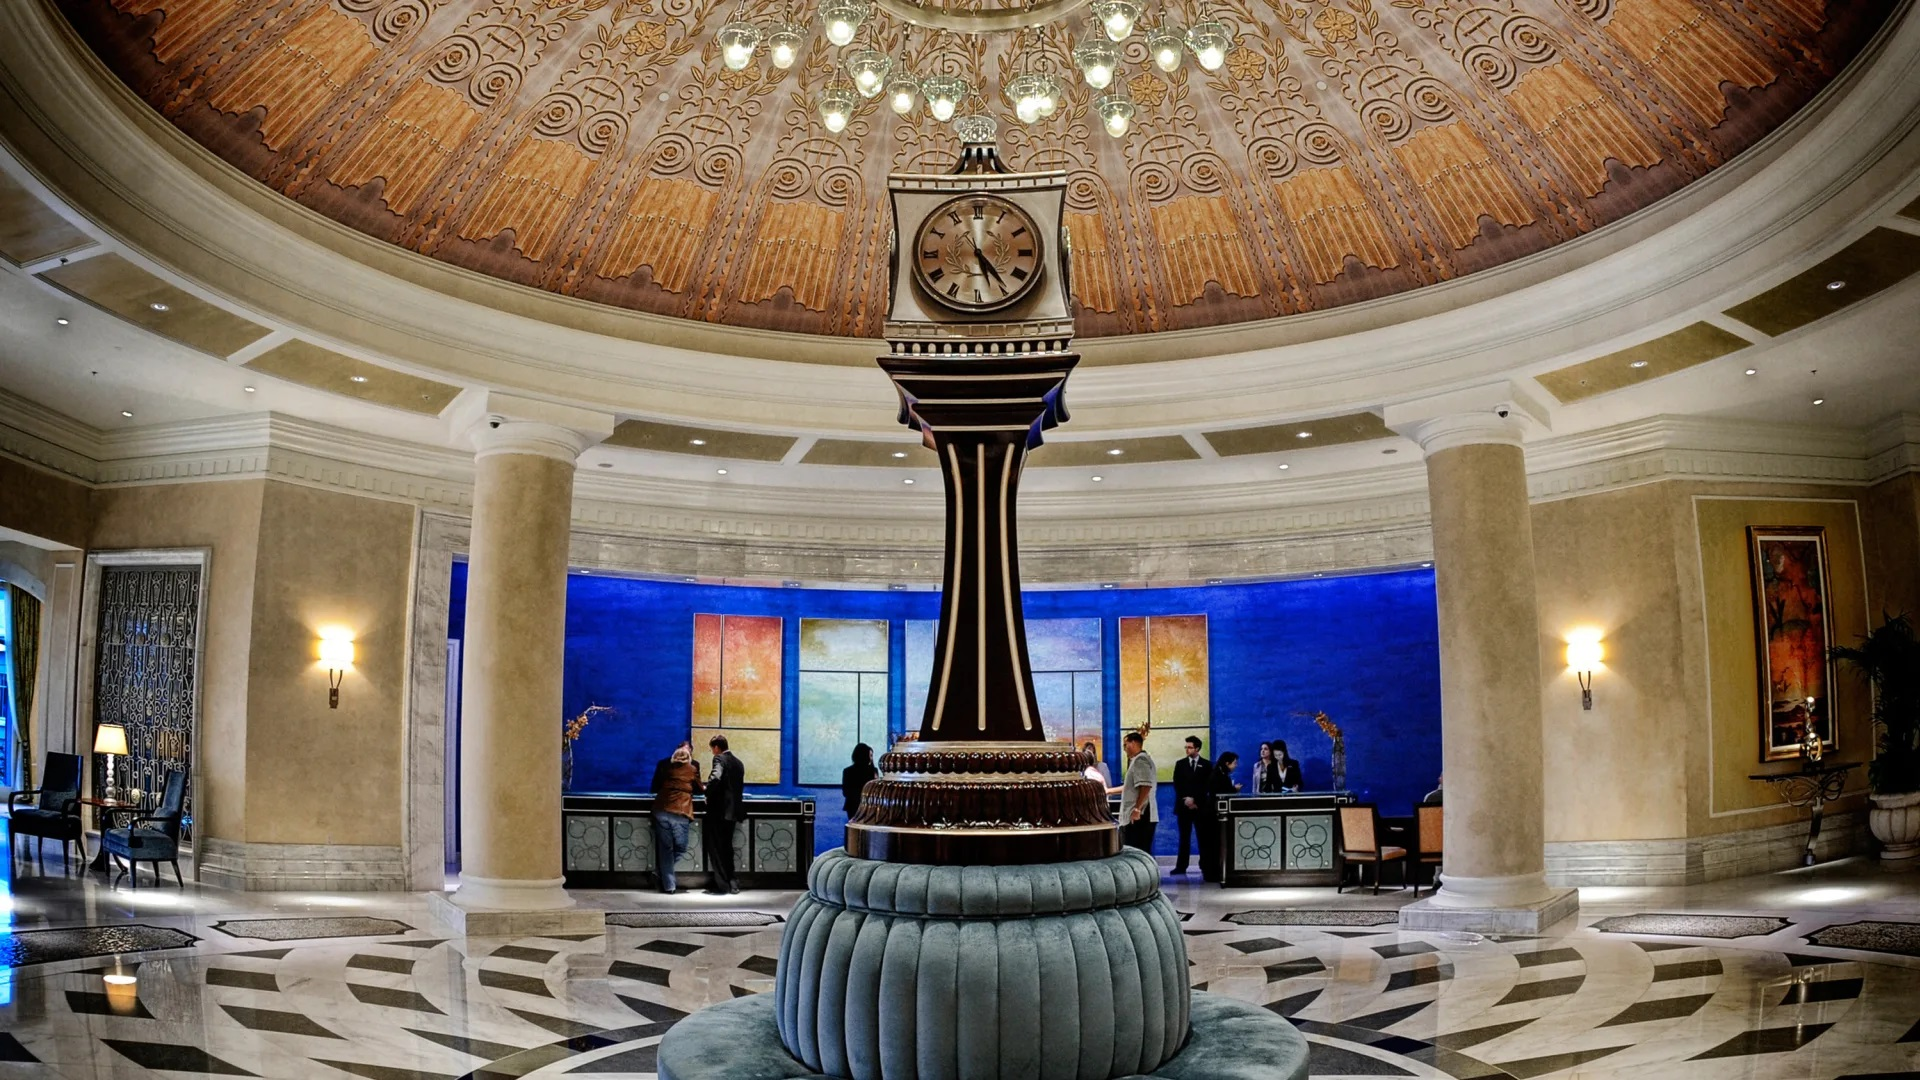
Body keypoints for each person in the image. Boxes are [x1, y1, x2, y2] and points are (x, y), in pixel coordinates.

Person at [648, 742, 703, 894]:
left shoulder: (665, 767)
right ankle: (664, 877)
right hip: (680, 812)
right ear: (689, 757)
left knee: (666, 848)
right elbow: (700, 789)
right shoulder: (692, 769)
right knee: (681, 847)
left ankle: (668, 884)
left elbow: (655, 786)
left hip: (661, 810)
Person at [702, 734, 746, 895]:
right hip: (734, 812)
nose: (712, 753)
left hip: (718, 811)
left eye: (712, 749)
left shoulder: (720, 759)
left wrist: (707, 792)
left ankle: (722, 885)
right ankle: (733, 882)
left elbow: (716, 777)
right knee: (727, 848)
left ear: (716, 747)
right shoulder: (739, 763)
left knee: (716, 848)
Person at [1171, 735, 1212, 875]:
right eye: (1186, 747)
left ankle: (1206, 865)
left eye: (1190, 747)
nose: (1187, 750)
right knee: (1184, 838)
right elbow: (1177, 784)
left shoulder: (1207, 765)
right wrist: (1186, 799)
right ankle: (1181, 866)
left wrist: (1195, 801)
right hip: (1183, 807)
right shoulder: (1180, 764)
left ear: (1197, 748)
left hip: (1200, 807)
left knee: (1203, 837)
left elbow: (1207, 786)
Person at [1200, 751, 1240, 882]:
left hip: (1212, 815)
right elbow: (1221, 793)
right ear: (1227, 763)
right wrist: (1234, 790)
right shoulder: (1219, 776)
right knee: (1212, 844)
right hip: (1213, 816)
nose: (1236, 765)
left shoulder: (1219, 774)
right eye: (1234, 763)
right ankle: (1212, 872)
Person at [1121, 731, 1158, 853]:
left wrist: (1137, 810)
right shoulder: (1137, 760)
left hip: (1140, 816)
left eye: (1126, 744)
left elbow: (1146, 786)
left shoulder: (1140, 760)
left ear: (1134, 743)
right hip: (1138, 815)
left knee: (1137, 851)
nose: (1124, 748)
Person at [842, 742, 878, 816]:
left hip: (852, 806)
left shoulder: (847, 771)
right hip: (869, 805)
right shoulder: (872, 771)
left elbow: (845, 792)